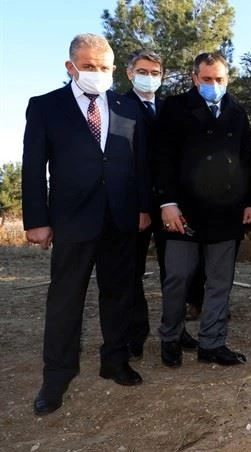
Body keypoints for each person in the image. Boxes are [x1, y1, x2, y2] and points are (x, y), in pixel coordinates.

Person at [22, 34, 151, 415]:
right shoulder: (46, 107)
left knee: (119, 294)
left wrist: (144, 207)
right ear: (71, 67)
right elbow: (33, 167)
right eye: (89, 66)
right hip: (71, 219)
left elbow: (139, 164)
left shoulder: (128, 108)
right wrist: (37, 219)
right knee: (65, 299)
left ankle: (115, 360)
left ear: (114, 70)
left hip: (120, 217)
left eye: (104, 67)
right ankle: (57, 375)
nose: (97, 73)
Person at [156, 52, 251, 368]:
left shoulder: (237, 112)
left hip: (226, 213)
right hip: (182, 212)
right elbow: (162, 159)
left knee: (219, 281)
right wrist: (167, 203)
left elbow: (248, 160)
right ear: (194, 78)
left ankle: (212, 343)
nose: (213, 85)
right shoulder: (173, 109)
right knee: (178, 279)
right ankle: (171, 338)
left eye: (220, 79)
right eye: (207, 79)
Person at [123, 50, 198, 359]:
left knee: (177, 271)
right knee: (131, 272)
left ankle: (176, 330)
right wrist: (142, 205)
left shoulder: (170, 109)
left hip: (171, 205)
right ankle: (134, 334)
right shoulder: (118, 106)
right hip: (134, 205)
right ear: (130, 73)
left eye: (155, 72)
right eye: (143, 71)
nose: (149, 77)